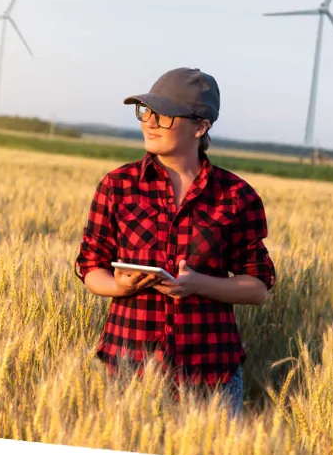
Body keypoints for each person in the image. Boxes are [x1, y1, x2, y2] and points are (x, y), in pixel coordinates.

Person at [74, 67, 276, 417]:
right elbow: (90, 266)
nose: (149, 123)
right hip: (128, 368)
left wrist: (198, 285)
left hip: (210, 375)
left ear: (200, 127)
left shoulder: (235, 196)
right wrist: (118, 287)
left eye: (164, 116)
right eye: (146, 112)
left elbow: (257, 287)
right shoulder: (117, 186)